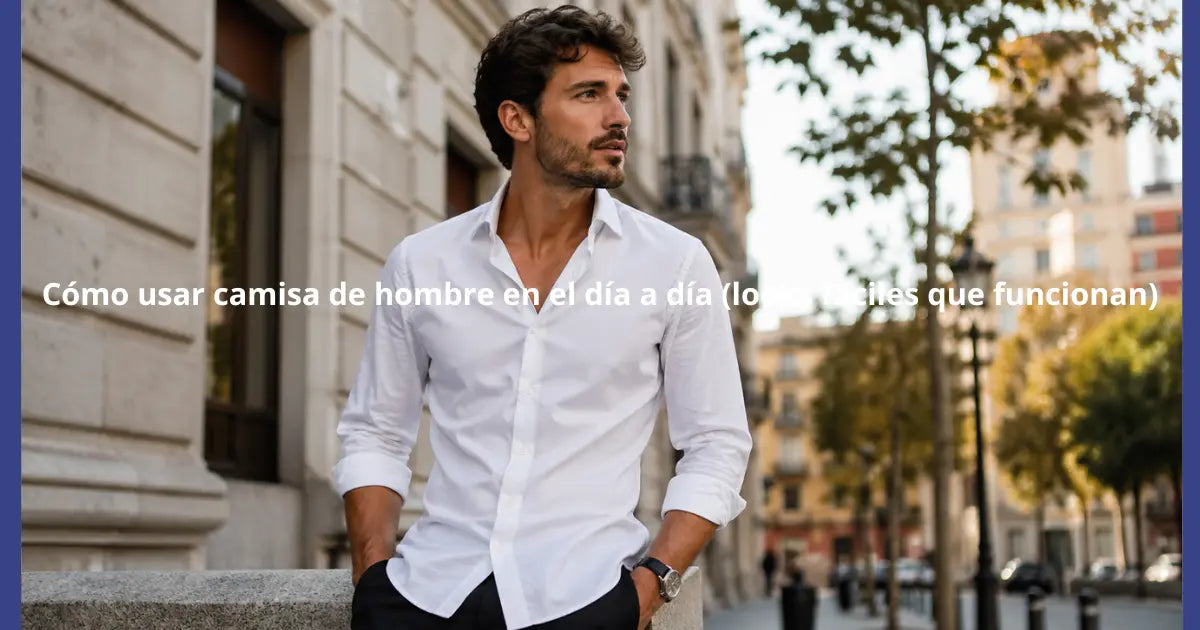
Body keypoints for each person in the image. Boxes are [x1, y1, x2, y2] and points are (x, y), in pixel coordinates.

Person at [333, 6, 753, 630]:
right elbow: (375, 431)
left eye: (620, 95)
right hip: (428, 595)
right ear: (518, 119)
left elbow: (717, 443)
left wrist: (648, 589)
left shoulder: (675, 264)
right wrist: (373, 579)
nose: (619, 116)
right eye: (589, 94)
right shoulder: (422, 263)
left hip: (586, 600)